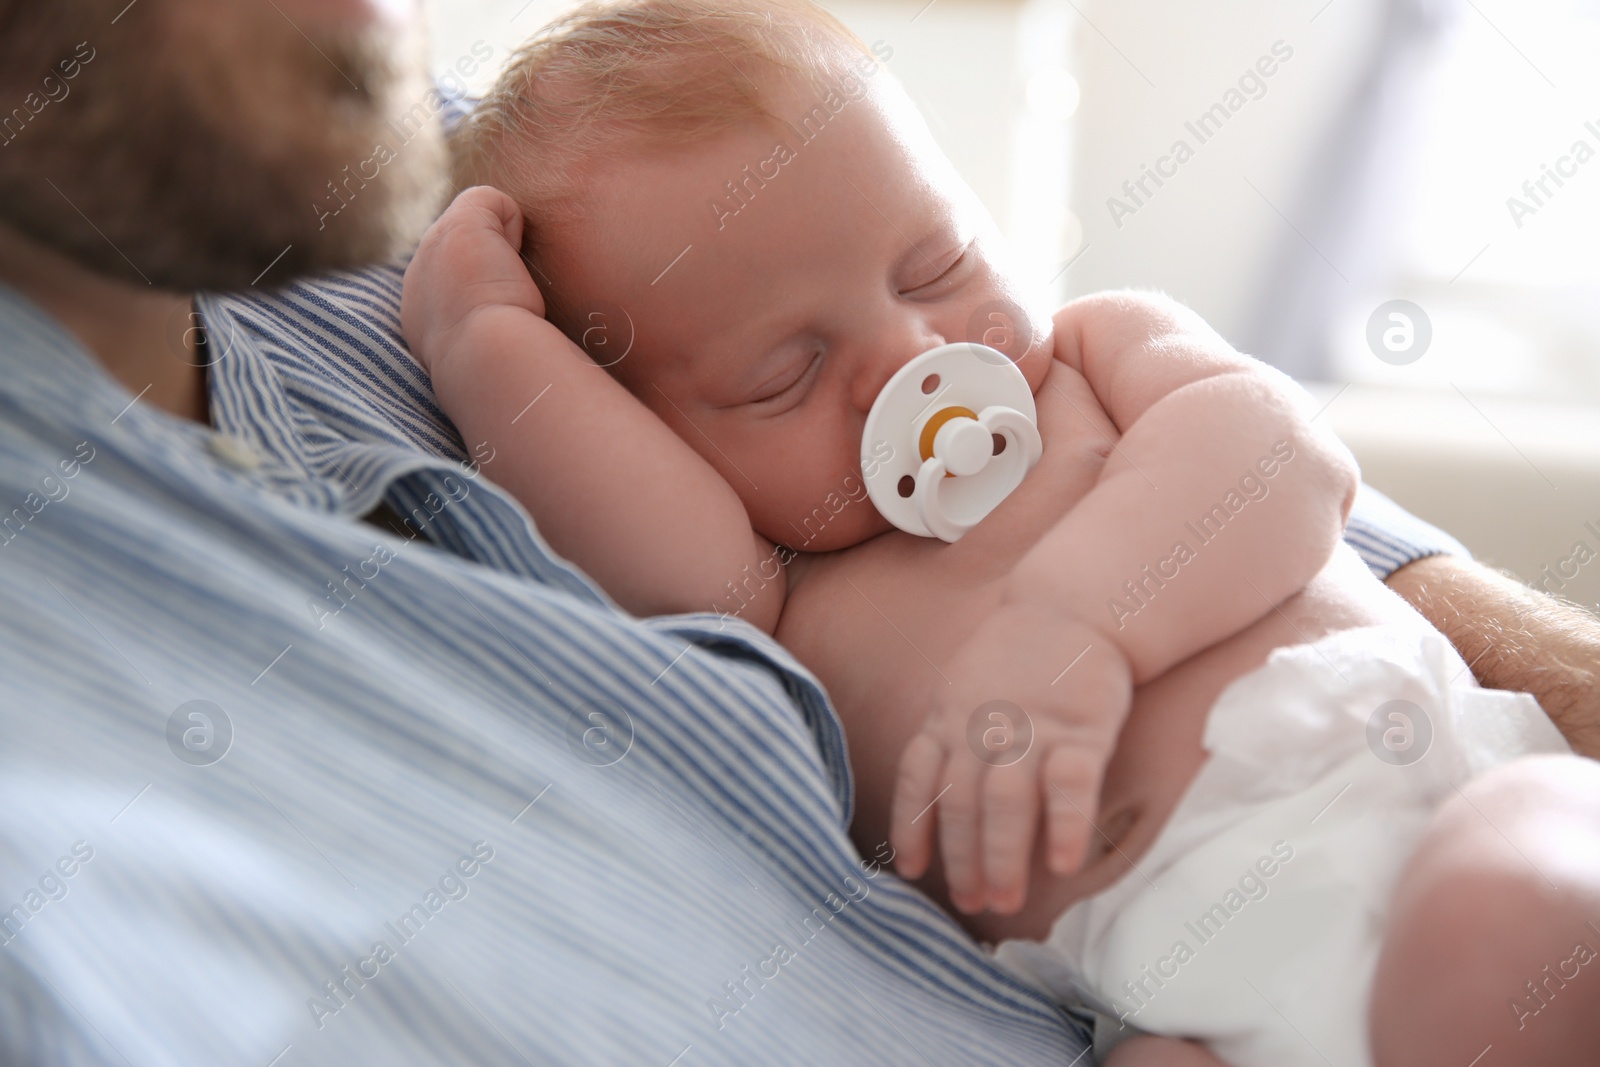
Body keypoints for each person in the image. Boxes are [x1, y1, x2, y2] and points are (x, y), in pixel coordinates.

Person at [0, 1, 1592, 1065]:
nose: (913, 364)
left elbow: (1278, 462)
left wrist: (1087, 621)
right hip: (1211, 992)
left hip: (1434, 801)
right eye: (786, 372)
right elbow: (637, 536)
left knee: (1516, 917)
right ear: (662, 425)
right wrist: (485, 342)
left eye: (935, 264)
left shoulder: (1103, 366)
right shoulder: (780, 604)